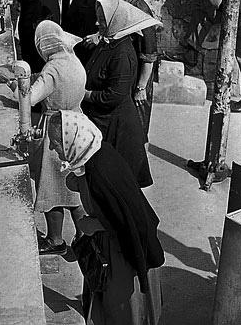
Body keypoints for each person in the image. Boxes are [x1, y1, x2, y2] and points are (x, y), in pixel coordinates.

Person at [46, 110, 165, 324]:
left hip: (123, 255)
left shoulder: (100, 174)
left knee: (121, 311)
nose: (51, 148)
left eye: (55, 142)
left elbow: (127, 219)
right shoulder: (96, 154)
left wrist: (92, 225)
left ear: (72, 141)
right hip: (111, 247)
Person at [0, 20, 86, 255]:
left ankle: (55, 240)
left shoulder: (53, 68)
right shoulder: (72, 59)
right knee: (75, 188)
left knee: (51, 185)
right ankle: (85, 237)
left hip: (55, 128)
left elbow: (29, 99)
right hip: (77, 124)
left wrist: (10, 80)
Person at [82, 0, 161, 188]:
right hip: (104, 123)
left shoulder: (122, 53)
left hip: (117, 130)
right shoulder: (109, 42)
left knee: (118, 187)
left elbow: (115, 95)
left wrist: (86, 95)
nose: (97, 23)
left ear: (115, 22)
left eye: (102, 20)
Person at [111, 0, 159, 142]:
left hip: (138, 79)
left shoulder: (141, 11)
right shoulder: (126, 5)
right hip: (128, 75)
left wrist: (141, 88)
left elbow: (149, 56)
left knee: (136, 129)